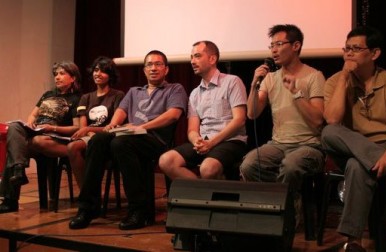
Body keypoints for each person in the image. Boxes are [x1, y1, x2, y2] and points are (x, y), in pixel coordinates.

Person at [68, 50, 188, 230]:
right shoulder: (134, 91)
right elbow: (120, 114)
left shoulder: (174, 89)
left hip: (155, 141)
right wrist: (112, 126)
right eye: (149, 65)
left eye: (158, 64)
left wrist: (142, 127)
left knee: (120, 143)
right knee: (99, 140)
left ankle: (137, 210)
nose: (153, 68)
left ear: (166, 70)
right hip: (128, 137)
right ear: (144, 70)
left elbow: (173, 115)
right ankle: (88, 207)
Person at [321, 26, 386, 252]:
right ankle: (378, 159)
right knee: (329, 133)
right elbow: (333, 120)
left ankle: (352, 242)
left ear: (374, 54)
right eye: (346, 49)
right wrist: (344, 76)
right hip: (350, 146)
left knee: (358, 166)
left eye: (356, 49)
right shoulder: (335, 81)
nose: (349, 54)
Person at [239, 24, 325, 225]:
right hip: (278, 144)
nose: (274, 50)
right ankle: (275, 207)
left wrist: (296, 93)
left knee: (291, 165)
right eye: (271, 46)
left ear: (296, 46)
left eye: (279, 44)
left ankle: (286, 214)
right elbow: (252, 113)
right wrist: (254, 84)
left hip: (309, 145)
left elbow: (318, 119)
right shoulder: (270, 78)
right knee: (250, 164)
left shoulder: (314, 76)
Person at [159, 40, 247, 181]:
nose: (193, 61)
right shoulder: (195, 93)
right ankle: (202, 193)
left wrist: (211, 143)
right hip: (204, 142)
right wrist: (197, 141)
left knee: (207, 168)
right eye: (191, 57)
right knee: (166, 160)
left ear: (212, 59)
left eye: (198, 56)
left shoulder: (232, 81)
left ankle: (208, 195)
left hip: (230, 141)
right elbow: (192, 130)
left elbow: (239, 119)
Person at [0, 61, 81, 213]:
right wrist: (30, 123)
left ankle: (10, 200)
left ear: (73, 78)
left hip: (55, 136)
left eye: (62, 74)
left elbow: (77, 127)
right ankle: (18, 169)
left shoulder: (77, 99)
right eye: (56, 74)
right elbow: (33, 114)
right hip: (37, 131)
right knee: (14, 128)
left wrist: (53, 128)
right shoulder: (47, 94)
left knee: (15, 148)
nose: (57, 77)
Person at [67, 56, 125, 189]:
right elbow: (83, 126)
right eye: (96, 70)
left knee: (73, 147)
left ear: (110, 76)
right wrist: (88, 131)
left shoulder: (118, 95)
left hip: (106, 136)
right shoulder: (85, 97)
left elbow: (115, 125)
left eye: (103, 71)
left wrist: (90, 131)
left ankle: (88, 192)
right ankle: (86, 192)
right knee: (72, 147)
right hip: (88, 136)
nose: (97, 74)